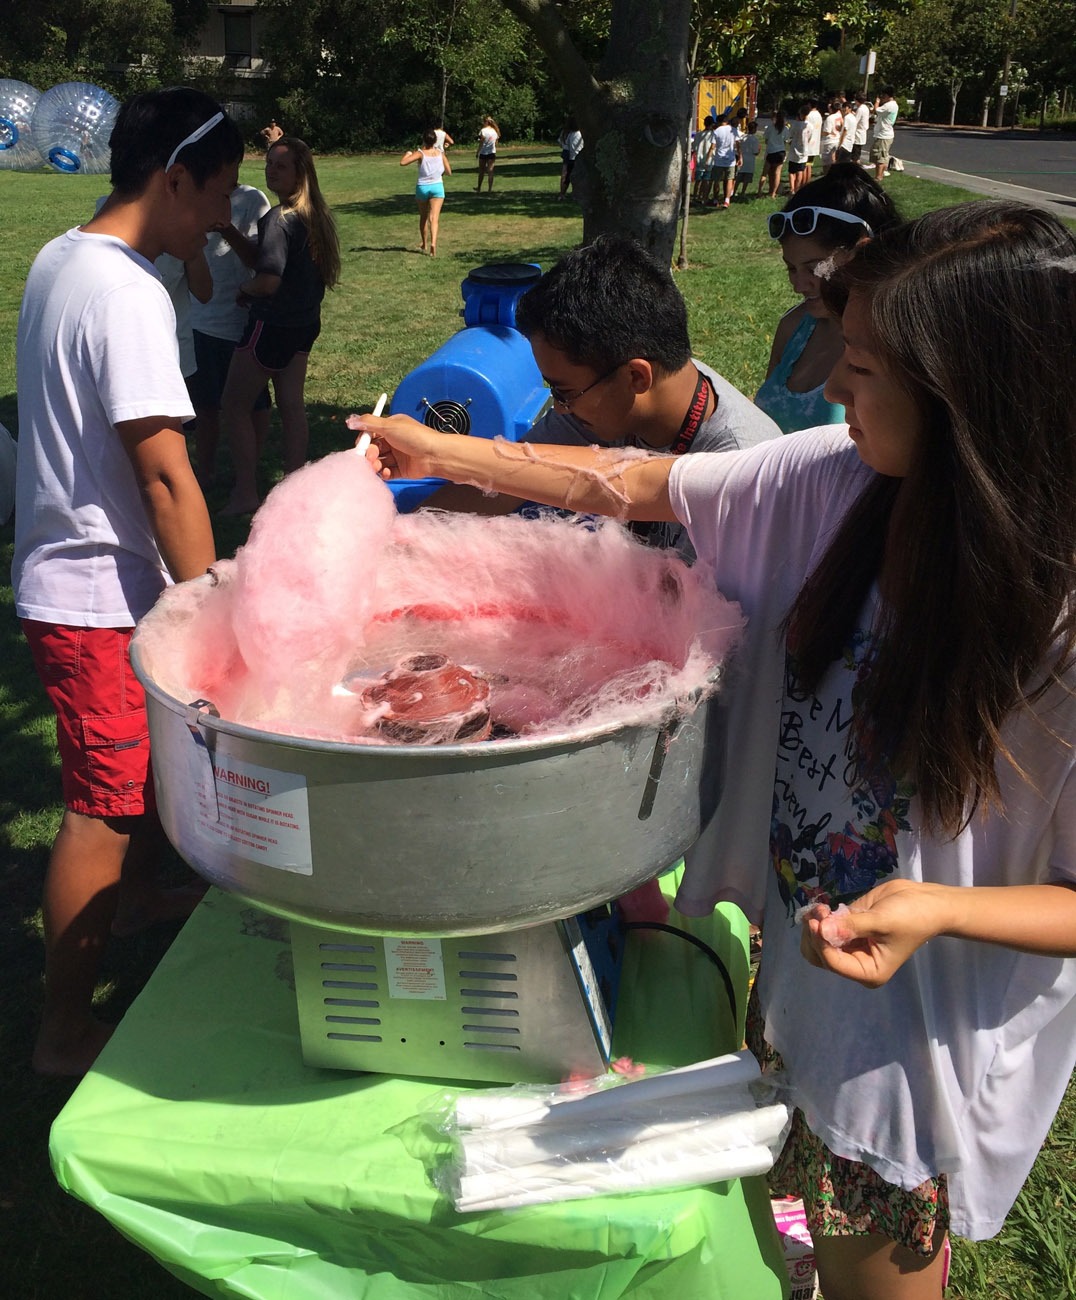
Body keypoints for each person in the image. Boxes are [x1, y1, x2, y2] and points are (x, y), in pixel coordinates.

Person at [354, 199, 1076, 1300]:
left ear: (968, 392)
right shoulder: (836, 480)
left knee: (870, 1263)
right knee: (790, 1232)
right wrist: (434, 448)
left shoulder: (1052, 616)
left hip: (907, 1055)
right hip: (796, 978)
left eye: (867, 366)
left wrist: (935, 909)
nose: (831, 385)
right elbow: (629, 481)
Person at [12, 87, 243, 1076]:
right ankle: (64, 1027)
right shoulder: (128, 294)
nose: (221, 221)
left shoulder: (61, 258)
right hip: (91, 593)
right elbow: (162, 473)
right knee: (101, 805)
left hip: (82, 574)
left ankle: (143, 896)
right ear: (174, 177)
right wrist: (212, 604)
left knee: (141, 772)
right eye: (216, 197)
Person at [421, 234, 780, 555]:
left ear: (637, 377)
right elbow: (504, 479)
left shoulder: (743, 479)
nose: (560, 410)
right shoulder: (616, 395)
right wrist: (400, 539)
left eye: (563, 392)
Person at [219, 136, 340, 515]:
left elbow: (268, 279)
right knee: (291, 406)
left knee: (233, 405)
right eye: (269, 163)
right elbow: (266, 260)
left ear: (300, 173)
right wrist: (230, 233)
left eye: (280, 166)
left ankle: (245, 493)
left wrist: (243, 290)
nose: (271, 170)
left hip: (271, 327)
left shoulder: (279, 219)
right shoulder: (314, 216)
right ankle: (294, 489)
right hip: (303, 326)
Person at [755, 163, 900, 433]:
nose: (798, 285)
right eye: (791, 268)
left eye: (814, 268)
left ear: (862, 251)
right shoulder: (793, 327)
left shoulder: (891, 345)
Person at [187, 181, 273, 486]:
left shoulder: (252, 200)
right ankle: (206, 473)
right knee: (205, 407)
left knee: (254, 405)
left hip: (239, 320)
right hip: (199, 319)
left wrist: (228, 230)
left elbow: (260, 260)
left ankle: (248, 473)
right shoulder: (191, 193)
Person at [400, 128, 451, 256]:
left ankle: (424, 243)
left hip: (423, 187)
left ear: (424, 140)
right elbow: (449, 171)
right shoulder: (440, 153)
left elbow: (403, 162)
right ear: (435, 140)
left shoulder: (420, 153)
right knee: (434, 218)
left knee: (424, 216)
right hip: (437, 187)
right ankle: (433, 243)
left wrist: (408, 153)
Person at [710, 114, 740, 208]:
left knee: (717, 180)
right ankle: (727, 199)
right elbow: (738, 145)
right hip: (730, 159)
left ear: (719, 122)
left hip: (719, 159)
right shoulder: (733, 130)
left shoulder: (716, 131)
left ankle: (715, 199)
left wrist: (709, 158)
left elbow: (712, 147)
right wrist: (740, 157)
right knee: (729, 179)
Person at [871, 87, 899, 180]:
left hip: (883, 134)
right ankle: (880, 175)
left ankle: (878, 176)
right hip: (886, 133)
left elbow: (876, 110)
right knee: (883, 156)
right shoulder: (893, 105)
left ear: (887, 95)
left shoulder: (888, 105)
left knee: (880, 157)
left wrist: (877, 102)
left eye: (883, 96)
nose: (882, 98)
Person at [760, 111, 788, 198]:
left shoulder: (770, 127)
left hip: (771, 151)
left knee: (765, 173)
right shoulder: (785, 128)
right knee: (777, 173)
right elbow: (786, 140)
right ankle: (773, 193)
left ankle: (759, 192)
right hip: (780, 152)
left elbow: (766, 140)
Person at [785, 105, 810, 196]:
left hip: (794, 148)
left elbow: (789, 135)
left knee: (791, 171)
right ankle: (797, 188)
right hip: (804, 149)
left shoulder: (795, 124)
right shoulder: (809, 126)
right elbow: (809, 137)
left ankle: (792, 189)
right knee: (800, 170)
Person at [734, 119, 761, 200]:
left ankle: (734, 191)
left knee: (738, 177)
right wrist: (759, 149)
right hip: (750, 161)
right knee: (746, 179)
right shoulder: (755, 140)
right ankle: (743, 192)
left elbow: (738, 147)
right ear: (754, 129)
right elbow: (755, 152)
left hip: (741, 159)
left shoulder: (742, 137)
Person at [558, 117, 583, 199]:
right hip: (574, 155)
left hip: (566, 153)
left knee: (565, 174)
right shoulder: (577, 134)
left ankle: (562, 193)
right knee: (575, 175)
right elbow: (575, 148)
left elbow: (560, 143)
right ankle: (575, 193)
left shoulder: (565, 132)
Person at [475, 115, 499, 193]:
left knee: (481, 171)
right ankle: (489, 189)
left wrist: (477, 152)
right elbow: (496, 143)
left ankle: (479, 188)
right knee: (490, 171)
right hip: (491, 153)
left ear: (486, 122)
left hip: (483, 152)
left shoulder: (483, 131)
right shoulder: (495, 131)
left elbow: (481, 142)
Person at [820, 98, 842, 172]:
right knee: (833, 160)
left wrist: (819, 132)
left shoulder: (830, 118)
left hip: (829, 141)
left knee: (826, 162)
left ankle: (827, 175)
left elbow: (827, 132)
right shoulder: (840, 115)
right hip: (837, 139)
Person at [804, 98, 823, 181]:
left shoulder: (809, 115)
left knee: (804, 166)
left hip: (808, 144)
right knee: (809, 165)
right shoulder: (819, 115)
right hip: (815, 144)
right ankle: (807, 181)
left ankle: (804, 183)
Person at [853, 90, 872, 163]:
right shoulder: (865, 108)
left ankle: (855, 169)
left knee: (855, 156)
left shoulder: (860, 109)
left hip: (858, 135)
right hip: (862, 134)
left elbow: (855, 121)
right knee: (857, 154)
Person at [837, 98, 857, 163]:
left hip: (845, 144)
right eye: (843, 108)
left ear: (849, 108)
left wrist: (840, 144)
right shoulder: (853, 117)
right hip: (850, 143)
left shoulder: (847, 117)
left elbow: (845, 131)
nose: (844, 109)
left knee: (840, 163)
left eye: (846, 108)